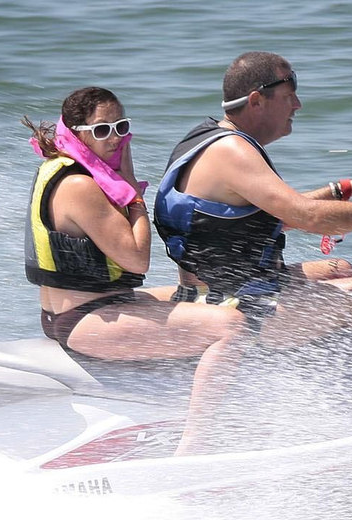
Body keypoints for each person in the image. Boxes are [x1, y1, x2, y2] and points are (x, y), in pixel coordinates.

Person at [154, 52, 352, 452]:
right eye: (290, 93)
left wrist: (343, 189)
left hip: (225, 288)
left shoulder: (206, 138)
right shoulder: (233, 152)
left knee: (338, 267)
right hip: (234, 306)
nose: (298, 104)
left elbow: (269, 215)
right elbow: (308, 217)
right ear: (257, 100)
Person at [22, 86, 246, 439]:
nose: (114, 138)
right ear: (77, 133)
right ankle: (198, 441)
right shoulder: (80, 185)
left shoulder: (64, 167)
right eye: (101, 130)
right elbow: (137, 259)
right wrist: (134, 194)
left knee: (198, 293)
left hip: (97, 306)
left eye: (120, 127)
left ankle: (175, 412)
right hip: (84, 319)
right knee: (230, 326)